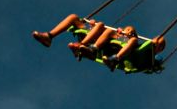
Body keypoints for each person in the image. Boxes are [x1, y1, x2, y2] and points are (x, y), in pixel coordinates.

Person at [31, 15, 166, 73]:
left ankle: (112, 58)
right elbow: (105, 31)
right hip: (96, 40)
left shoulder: (135, 43)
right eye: (127, 29)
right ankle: (49, 36)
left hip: (117, 50)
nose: (129, 32)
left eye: (132, 31)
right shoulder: (116, 33)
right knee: (75, 17)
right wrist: (91, 25)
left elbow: (154, 52)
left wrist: (155, 43)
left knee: (106, 29)